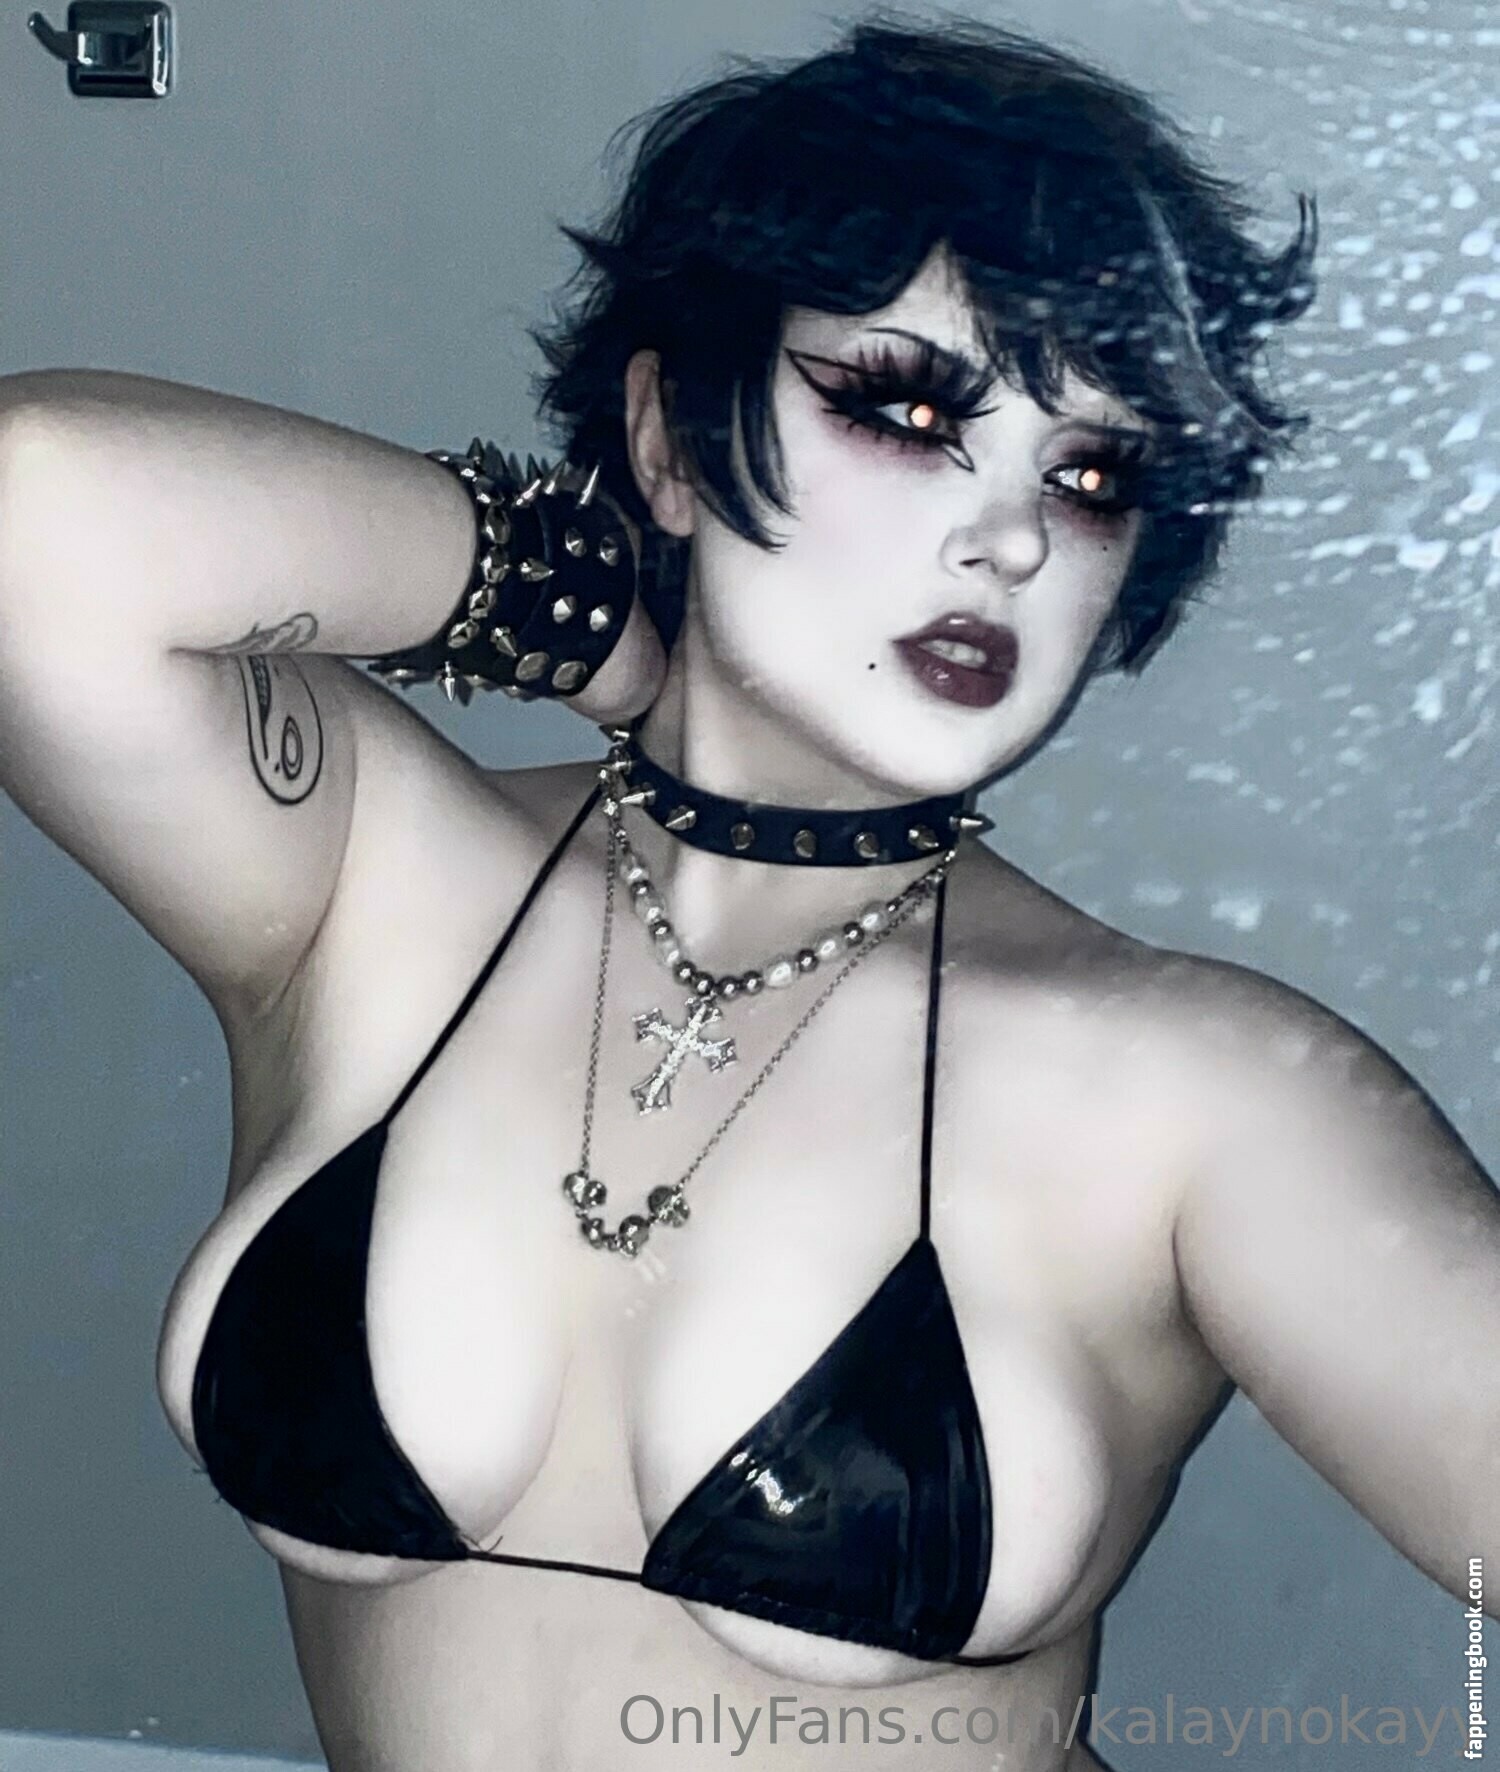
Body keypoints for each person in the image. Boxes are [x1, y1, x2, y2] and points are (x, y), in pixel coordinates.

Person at [1, 14, 1495, 1771]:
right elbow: (36, 509)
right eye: (909, 409)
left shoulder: (1196, 1094)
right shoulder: (372, 884)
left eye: (1089, 476)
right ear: (670, 438)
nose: (1014, 537)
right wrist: (580, 617)